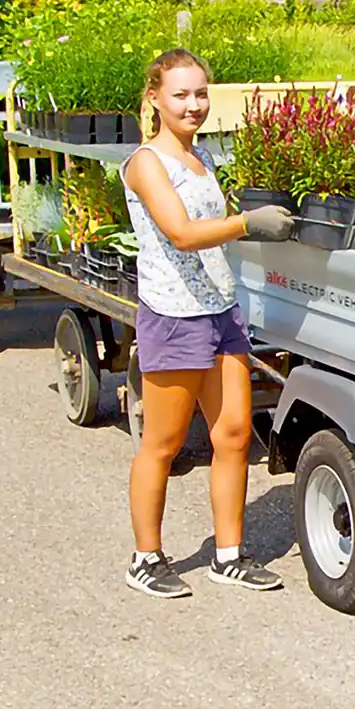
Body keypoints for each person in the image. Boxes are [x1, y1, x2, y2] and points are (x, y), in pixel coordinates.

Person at [120, 48, 296, 599]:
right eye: (180, 94)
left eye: (200, 93)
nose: (193, 105)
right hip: (173, 316)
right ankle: (145, 558)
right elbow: (180, 233)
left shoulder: (202, 160)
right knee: (165, 444)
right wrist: (247, 222)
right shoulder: (147, 163)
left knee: (236, 435)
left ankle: (228, 555)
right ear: (155, 98)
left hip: (219, 310)